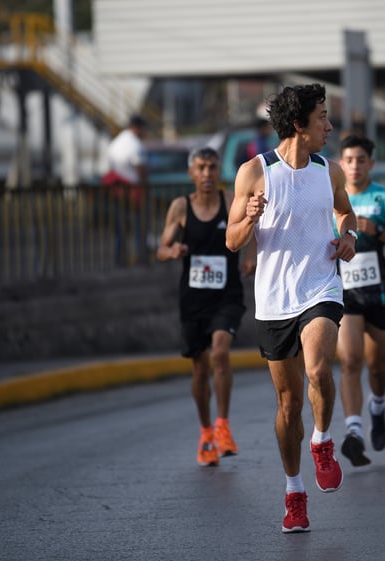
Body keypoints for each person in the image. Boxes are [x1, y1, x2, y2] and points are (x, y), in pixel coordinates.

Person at [225, 83, 357, 533]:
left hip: (321, 287)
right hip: (275, 300)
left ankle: (322, 440)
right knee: (288, 404)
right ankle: (294, 491)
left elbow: (346, 214)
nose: (330, 126)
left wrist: (350, 236)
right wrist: (250, 216)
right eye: (322, 117)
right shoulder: (254, 173)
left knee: (319, 368)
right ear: (299, 124)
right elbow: (232, 240)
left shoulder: (330, 170)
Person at [156, 147, 253, 467]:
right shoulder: (181, 207)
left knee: (221, 351)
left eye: (212, 167)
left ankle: (223, 426)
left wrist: (251, 256)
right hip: (194, 299)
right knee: (199, 367)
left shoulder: (229, 202)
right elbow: (162, 246)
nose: (208, 174)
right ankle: (206, 432)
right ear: (191, 173)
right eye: (201, 168)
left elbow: (249, 231)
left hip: (227, 295)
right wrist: (172, 251)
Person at [335, 135, 385, 467]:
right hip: (345, 292)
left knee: (378, 366)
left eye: (361, 159)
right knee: (351, 360)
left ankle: (378, 407)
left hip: (380, 292)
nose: (354, 166)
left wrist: (377, 231)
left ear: (371, 164)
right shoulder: (331, 199)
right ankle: (354, 431)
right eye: (349, 159)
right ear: (342, 162)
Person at [103, 115, 149, 266]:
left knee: (120, 228)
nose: (145, 132)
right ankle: (140, 259)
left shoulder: (115, 142)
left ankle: (119, 260)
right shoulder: (135, 144)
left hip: (117, 191)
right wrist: (144, 189)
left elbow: (110, 168)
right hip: (134, 191)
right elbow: (141, 169)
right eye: (143, 129)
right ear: (138, 127)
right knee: (138, 227)